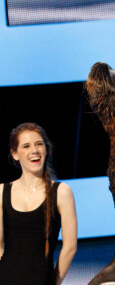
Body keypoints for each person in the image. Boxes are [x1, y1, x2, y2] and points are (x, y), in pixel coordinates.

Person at [0, 122, 77, 285]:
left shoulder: (62, 192)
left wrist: (54, 281)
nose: (34, 151)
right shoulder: (2, 192)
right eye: (26, 146)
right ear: (15, 154)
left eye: (39, 144)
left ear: (46, 149)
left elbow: (70, 247)